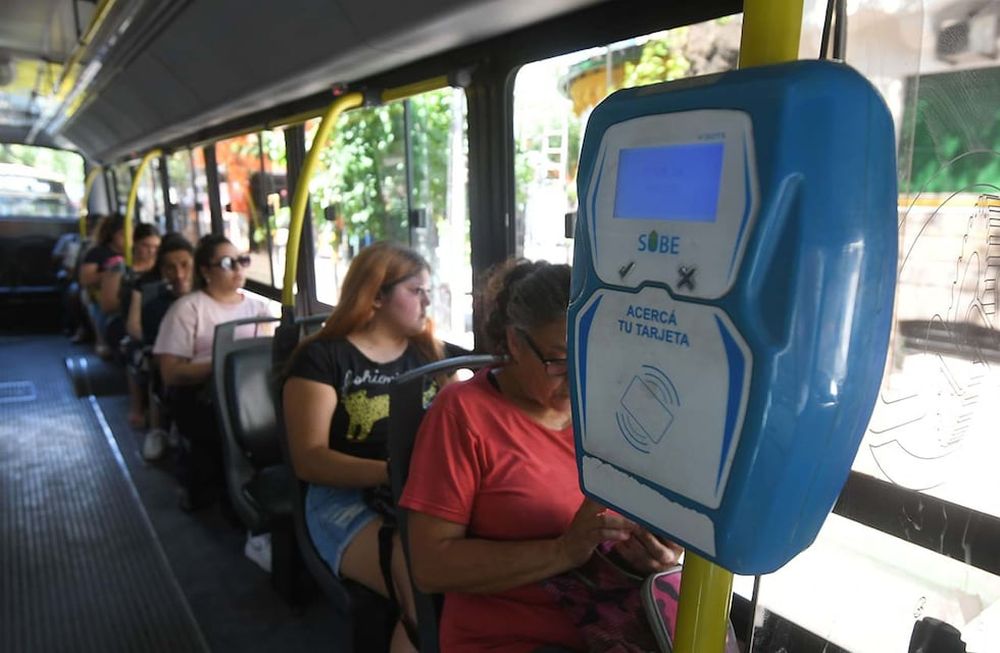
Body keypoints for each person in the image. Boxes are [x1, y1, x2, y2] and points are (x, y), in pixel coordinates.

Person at [400, 260, 683, 653]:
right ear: (515, 342)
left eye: (591, 357)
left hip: (617, 622)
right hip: (511, 636)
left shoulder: (614, 413)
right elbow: (431, 566)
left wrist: (658, 555)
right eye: (559, 361)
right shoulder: (463, 414)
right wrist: (563, 550)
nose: (579, 378)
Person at [283, 242, 457, 653]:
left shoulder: (426, 354)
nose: (427, 301)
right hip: (344, 497)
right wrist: (395, 473)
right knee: (423, 587)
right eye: (416, 291)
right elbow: (309, 459)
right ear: (376, 295)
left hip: (418, 492)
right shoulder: (323, 359)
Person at [153, 234, 272, 510]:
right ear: (205, 270)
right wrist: (223, 364)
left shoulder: (259, 309)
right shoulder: (188, 309)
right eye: (228, 263)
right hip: (202, 393)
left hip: (251, 392)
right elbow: (170, 373)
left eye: (242, 261)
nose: (239, 269)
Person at [125, 233, 195, 460]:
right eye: (171, 268)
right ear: (162, 271)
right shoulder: (156, 306)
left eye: (185, 265)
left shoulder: (204, 299)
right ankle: (159, 428)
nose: (179, 275)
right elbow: (152, 343)